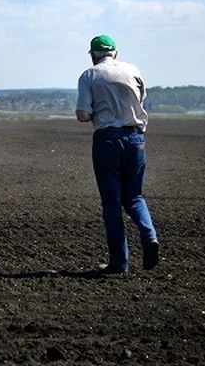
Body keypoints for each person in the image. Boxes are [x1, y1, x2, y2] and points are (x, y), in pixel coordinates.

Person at [75, 34, 160, 275]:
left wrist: (96, 114)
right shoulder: (133, 70)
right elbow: (140, 100)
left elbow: (83, 113)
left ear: (93, 55)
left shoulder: (89, 75)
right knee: (134, 196)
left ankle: (118, 263)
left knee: (112, 203)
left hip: (107, 140)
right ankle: (149, 236)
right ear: (116, 53)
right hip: (136, 138)